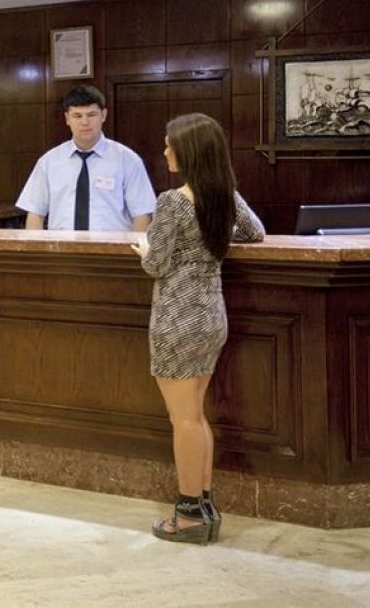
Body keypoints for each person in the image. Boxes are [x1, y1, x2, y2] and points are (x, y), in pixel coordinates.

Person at [130, 112, 265, 543]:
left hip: (176, 318)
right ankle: (204, 507)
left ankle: (188, 516)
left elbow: (156, 264)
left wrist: (144, 248)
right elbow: (255, 233)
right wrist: (209, 241)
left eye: (170, 144)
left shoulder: (173, 201)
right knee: (195, 416)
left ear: (187, 152)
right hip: (210, 315)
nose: (165, 150)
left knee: (184, 419)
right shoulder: (222, 194)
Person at [16, 84, 155, 231]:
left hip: (113, 244)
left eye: (91, 115)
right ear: (67, 118)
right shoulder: (48, 162)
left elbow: (142, 215)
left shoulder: (128, 160)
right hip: (62, 244)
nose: (84, 122)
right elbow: (35, 213)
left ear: (103, 115)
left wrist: (136, 245)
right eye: (77, 116)